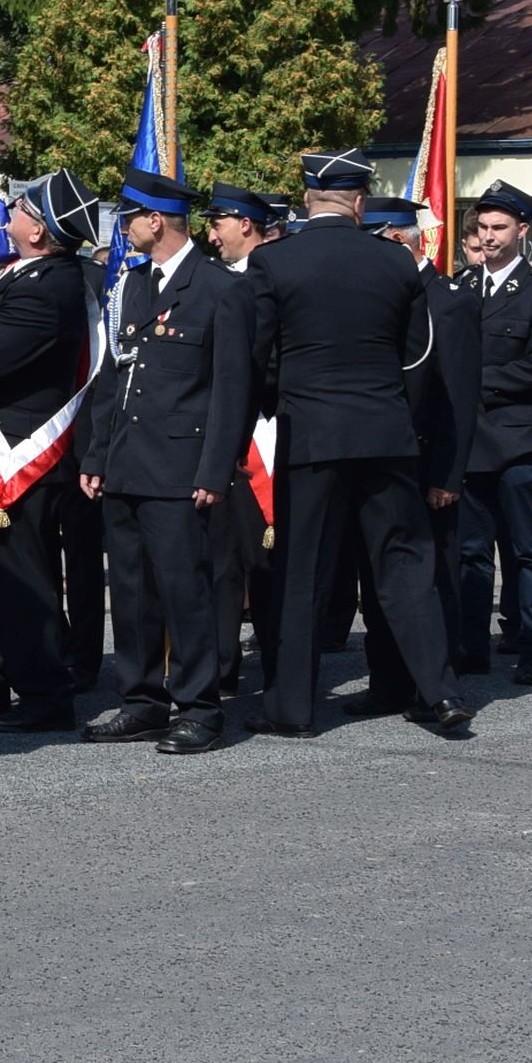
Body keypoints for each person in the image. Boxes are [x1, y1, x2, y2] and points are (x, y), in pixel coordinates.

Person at [247, 151, 454, 734]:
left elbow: (258, 355)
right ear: (360, 201)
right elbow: (416, 359)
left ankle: (293, 708)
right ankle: (441, 692)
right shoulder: (396, 262)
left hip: (311, 434)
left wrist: (268, 407)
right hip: (386, 432)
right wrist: (394, 416)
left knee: (303, 572)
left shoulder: (276, 261)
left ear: (309, 198)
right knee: (406, 564)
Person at [77, 168, 251, 754]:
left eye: (129, 218)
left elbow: (231, 390)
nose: (122, 229)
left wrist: (214, 469)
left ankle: (199, 706)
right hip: (128, 461)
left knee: (185, 591)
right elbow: (115, 377)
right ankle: (141, 700)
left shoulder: (218, 288)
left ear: (156, 220)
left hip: (181, 467)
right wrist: (97, 453)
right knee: (130, 591)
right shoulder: (133, 285)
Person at [0, 168, 97, 738]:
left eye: (18, 207)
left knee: (23, 580)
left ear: (37, 229)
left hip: (22, 451)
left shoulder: (50, 285)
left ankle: (44, 692)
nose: (7, 212)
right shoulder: (25, 273)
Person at [364, 191, 480, 722]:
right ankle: (389, 681)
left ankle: (439, 682)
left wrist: (448, 475)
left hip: (430, 461)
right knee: (381, 577)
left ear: (394, 241)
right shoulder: (387, 296)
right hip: (386, 459)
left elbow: (458, 396)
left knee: (435, 577)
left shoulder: (448, 298)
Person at [455, 181, 532, 684]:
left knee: (526, 548)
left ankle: (531, 642)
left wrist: (471, 379)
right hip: (470, 441)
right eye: (482, 228)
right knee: (472, 551)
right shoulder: (460, 287)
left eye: (499, 228)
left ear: (522, 230)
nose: (489, 237)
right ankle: (472, 644)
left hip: (517, 436)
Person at [200, 182, 284, 698]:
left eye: (219, 224)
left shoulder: (274, 279)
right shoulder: (212, 282)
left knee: (267, 561)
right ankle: (220, 665)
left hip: (266, 429)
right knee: (220, 562)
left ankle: (279, 666)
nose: (212, 235)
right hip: (218, 434)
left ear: (245, 224)